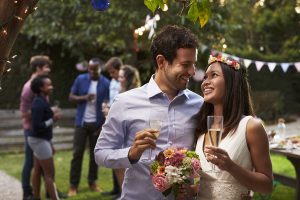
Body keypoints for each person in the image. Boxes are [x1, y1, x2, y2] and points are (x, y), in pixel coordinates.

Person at [94, 25, 203, 200]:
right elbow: (101, 153)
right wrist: (131, 153)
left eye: (194, 64)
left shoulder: (200, 105)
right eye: (185, 64)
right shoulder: (125, 102)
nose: (192, 71)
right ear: (161, 62)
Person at [188, 55, 273, 199]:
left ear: (231, 82)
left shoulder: (251, 127)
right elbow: (205, 183)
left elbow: (267, 186)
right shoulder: (202, 128)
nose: (205, 83)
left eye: (213, 75)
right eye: (205, 77)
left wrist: (230, 166)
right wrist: (190, 189)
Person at [68, 58, 110, 196]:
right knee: (77, 153)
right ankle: (73, 185)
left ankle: (92, 182)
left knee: (94, 155)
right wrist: (84, 97)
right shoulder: (80, 79)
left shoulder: (106, 83)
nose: (92, 71)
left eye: (95, 69)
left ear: (100, 68)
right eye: (90, 68)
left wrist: (103, 124)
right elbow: (71, 97)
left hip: (96, 124)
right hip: (81, 123)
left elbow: (107, 103)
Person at [20, 55, 51, 200]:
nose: (49, 69)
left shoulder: (42, 84)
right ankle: (27, 193)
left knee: (41, 163)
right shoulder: (29, 88)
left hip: (42, 129)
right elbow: (24, 113)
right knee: (30, 162)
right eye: (46, 67)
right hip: (32, 130)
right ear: (39, 68)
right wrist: (40, 111)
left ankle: (48, 192)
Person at [28, 75, 61, 200]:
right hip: (39, 140)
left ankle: (36, 197)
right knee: (49, 174)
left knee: (37, 170)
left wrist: (50, 144)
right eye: (48, 85)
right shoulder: (38, 103)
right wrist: (52, 119)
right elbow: (37, 126)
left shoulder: (42, 100)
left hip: (40, 140)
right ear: (41, 88)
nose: (51, 87)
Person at [101, 57, 123, 198]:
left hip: (120, 122)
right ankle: (116, 188)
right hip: (110, 119)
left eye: (113, 71)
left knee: (121, 159)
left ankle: (123, 190)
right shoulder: (113, 82)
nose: (111, 75)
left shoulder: (124, 81)